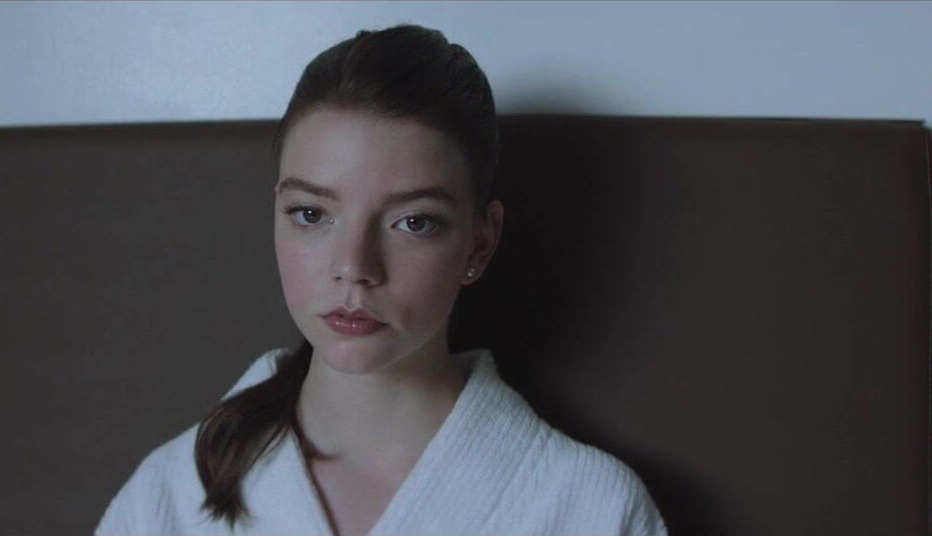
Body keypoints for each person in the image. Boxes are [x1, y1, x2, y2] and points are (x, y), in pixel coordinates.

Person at [95, 23, 668, 536]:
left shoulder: (590, 508)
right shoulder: (170, 495)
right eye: (311, 214)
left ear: (480, 242)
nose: (354, 266)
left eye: (413, 222)